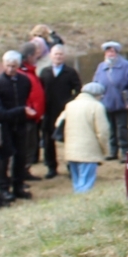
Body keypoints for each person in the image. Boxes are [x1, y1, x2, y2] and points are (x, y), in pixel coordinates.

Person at [0, 51, 38, 203]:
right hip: (6, 123)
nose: (10, 69)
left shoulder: (24, 81)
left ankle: (18, 185)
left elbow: (26, 98)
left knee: (21, 155)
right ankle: (4, 188)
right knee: (5, 158)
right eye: (8, 66)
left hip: (21, 123)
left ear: (18, 66)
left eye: (13, 66)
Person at [54, 82, 109, 193]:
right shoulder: (97, 107)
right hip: (89, 150)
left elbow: (58, 123)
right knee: (86, 183)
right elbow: (102, 131)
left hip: (71, 150)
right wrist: (104, 149)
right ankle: (84, 205)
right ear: (97, 95)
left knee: (77, 181)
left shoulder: (70, 105)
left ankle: (76, 203)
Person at [39, 45, 83, 180]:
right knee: (48, 141)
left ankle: (71, 166)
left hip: (65, 112)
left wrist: (70, 103)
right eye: (56, 54)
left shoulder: (70, 72)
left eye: (60, 54)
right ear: (51, 56)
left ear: (64, 57)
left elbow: (78, 90)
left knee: (69, 140)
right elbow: (39, 92)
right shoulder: (44, 72)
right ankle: (51, 167)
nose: (58, 57)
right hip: (48, 111)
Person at [92, 43, 128, 160]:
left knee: (122, 129)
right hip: (106, 104)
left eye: (113, 51)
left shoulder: (126, 66)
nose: (110, 54)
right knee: (110, 129)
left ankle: (125, 152)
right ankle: (113, 152)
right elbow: (96, 83)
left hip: (122, 104)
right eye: (108, 51)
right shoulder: (101, 67)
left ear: (117, 53)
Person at [14, 44, 47, 183]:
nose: (37, 57)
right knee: (25, 146)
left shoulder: (31, 71)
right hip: (27, 116)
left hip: (34, 116)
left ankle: (25, 170)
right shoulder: (22, 73)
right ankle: (20, 173)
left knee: (31, 145)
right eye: (35, 54)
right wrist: (30, 109)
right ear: (28, 56)